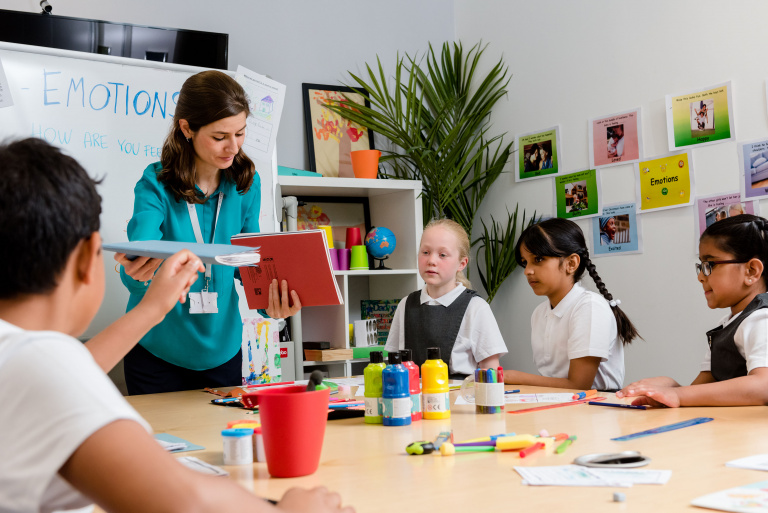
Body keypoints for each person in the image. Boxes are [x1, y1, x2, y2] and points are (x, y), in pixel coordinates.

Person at [0, 138, 353, 513]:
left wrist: (153, 308)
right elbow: (186, 501)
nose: (231, 144)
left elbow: (74, 367)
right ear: (89, 256)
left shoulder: (25, 356)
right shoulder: (38, 363)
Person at [115, 70, 301, 395]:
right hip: (157, 349)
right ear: (187, 128)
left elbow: (248, 261)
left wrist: (269, 304)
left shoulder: (246, 183)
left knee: (224, 442)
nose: (233, 147)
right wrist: (138, 270)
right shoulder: (155, 184)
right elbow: (139, 262)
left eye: (240, 134)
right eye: (220, 137)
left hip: (223, 351)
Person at [617, 214, 768, 407]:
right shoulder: (727, 325)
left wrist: (679, 395)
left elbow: (763, 386)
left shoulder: (761, 319)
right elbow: (700, 392)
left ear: (751, 271)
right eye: (700, 266)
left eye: (709, 265)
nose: (700, 277)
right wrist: (671, 389)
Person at [503, 218, 640, 390]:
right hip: (555, 402)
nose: (527, 271)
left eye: (538, 259)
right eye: (525, 262)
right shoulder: (539, 313)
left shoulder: (590, 307)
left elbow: (579, 385)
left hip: (595, 408)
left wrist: (514, 377)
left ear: (571, 263)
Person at [384, 219, 507, 378]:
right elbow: (395, 365)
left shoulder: (476, 307)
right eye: (425, 252)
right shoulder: (405, 305)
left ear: (461, 263)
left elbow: (491, 373)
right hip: (412, 398)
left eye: (442, 255)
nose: (431, 261)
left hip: (460, 399)